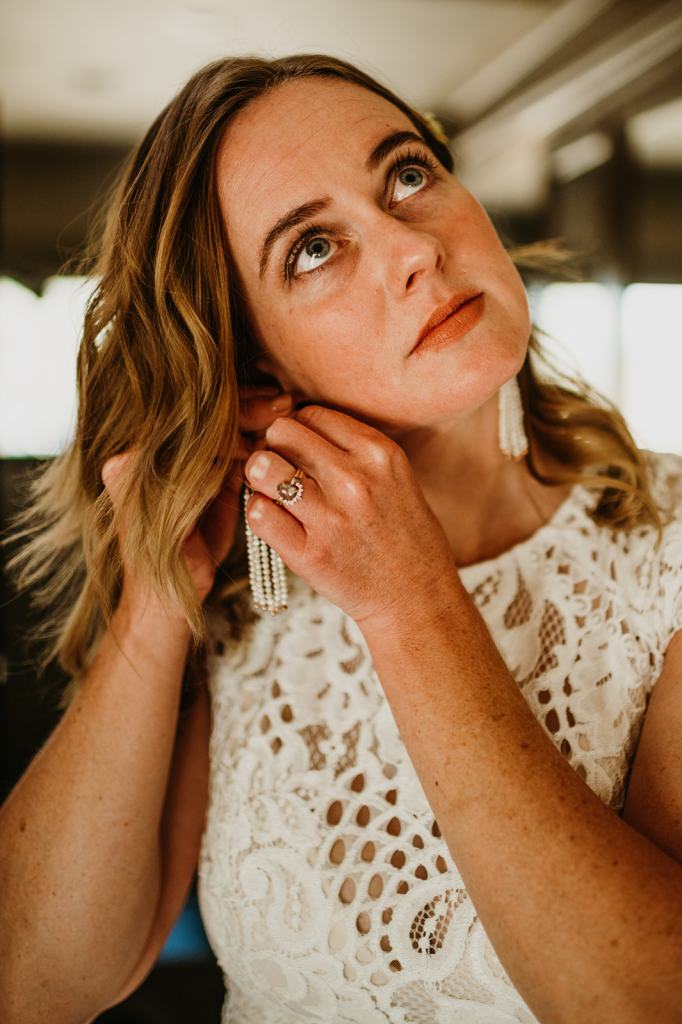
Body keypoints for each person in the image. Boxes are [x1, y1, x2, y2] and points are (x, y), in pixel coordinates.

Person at [1, 53, 681, 1024]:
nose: (414, 249)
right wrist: (157, 595)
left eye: (407, 174)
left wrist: (411, 603)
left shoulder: (668, 547)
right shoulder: (247, 593)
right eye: (314, 247)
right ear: (256, 364)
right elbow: (32, 984)